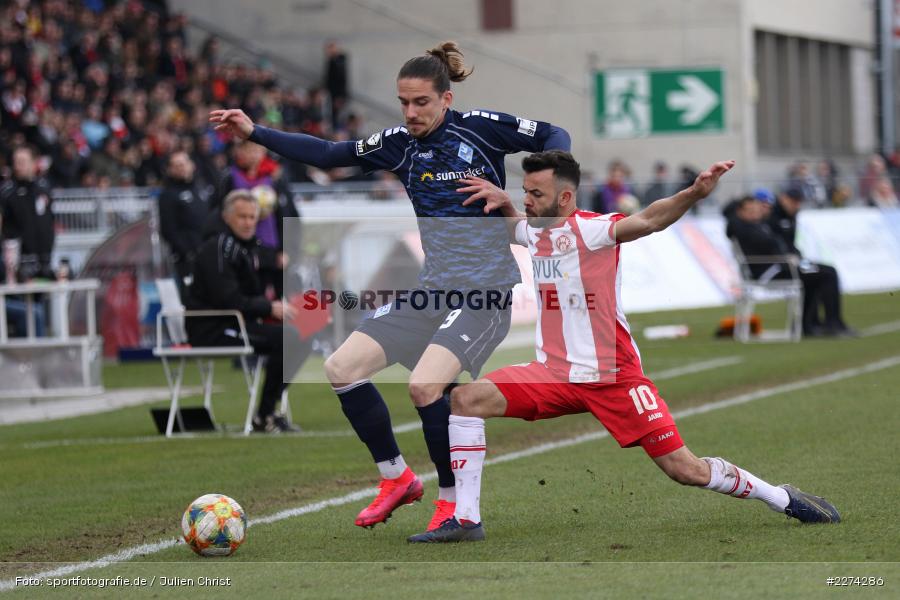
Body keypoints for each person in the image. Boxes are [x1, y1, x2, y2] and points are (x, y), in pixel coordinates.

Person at [210, 41, 571, 532]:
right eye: (403, 102)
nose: (410, 112)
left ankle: (453, 506)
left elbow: (556, 134)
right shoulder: (398, 144)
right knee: (341, 366)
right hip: (433, 290)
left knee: (424, 387)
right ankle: (397, 478)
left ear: (446, 99)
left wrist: (529, 196)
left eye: (421, 102)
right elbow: (328, 152)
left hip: (486, 294)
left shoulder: (482, 129)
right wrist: (255, 131)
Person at [407, 150, 840, 543]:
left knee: (685, 471)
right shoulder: (533, 230)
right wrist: (498, 200)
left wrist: (693, 193)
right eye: (526, 192)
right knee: (464, 399)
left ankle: (780, 498)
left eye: (536, 193)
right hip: (553, 374)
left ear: (565, 197)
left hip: (613, 377)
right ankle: (466, 520)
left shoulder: (594, 229)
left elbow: (650, 219)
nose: (528, 200)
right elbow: (511, 227)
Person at [185, 190, 311, 433]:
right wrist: (269, 307)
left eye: (252, 217)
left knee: (303, 336)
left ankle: (268, 410)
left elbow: (270, 272)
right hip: (214, 327)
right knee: (290, 339)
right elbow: (226, 298)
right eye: (242, 217)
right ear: (226, 217)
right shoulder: (218, 249)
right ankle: (264, 414)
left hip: (239, 322)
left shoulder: (249, 247)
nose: (248, 222)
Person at [768, 187, 854, 336]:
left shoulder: (791, 216)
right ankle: (830, 323)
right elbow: (776, 246)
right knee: (825, 275)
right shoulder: (772, 217)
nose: (796, 205)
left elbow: (789, 244)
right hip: (780, 266)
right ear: (783, 198)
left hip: (794, 262)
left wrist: (798, 257)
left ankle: (815, 323)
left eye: (798, 202)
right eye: (793, 201)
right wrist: (790, 257)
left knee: (828, 270)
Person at [158, 151, 212, 287]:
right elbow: (168, 230)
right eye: (176, 165)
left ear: (192, 165)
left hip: (209, 254)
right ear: (169, 170)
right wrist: (187, 252)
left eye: (183, 163)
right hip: (187, 259)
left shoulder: (202, 188)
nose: (181, 167)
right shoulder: (168, 195)